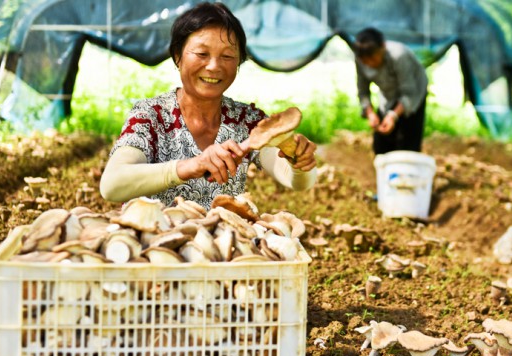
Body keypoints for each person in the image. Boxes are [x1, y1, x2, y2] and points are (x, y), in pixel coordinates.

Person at [100, 2, 317, 210]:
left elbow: (294, 179)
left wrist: (299, 160)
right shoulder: (150, 116)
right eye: (202, 54)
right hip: (155, 242)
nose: (214, 66)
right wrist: (189, 166)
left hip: (221, 243)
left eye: (227, 56)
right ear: (178, 56)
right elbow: (111, 185)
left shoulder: (246, 121)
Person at [353, 27, 428, 154]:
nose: (370, 64)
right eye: (366, 61)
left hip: (413, 95)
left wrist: (393, 115)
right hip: (388, 95)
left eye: (372, 58)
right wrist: (370, 113)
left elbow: (409, 93)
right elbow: (363, 90)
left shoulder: (399, 56)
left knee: (408, 144)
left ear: (382, 46)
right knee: (381, 145)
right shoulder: (361, 60)